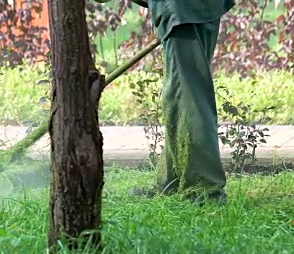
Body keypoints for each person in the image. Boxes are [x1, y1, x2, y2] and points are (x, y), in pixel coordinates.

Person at [99, 0, 235, 206]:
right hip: (201, 8)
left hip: (181, 8)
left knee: (189, 97)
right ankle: (172, 182)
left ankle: (205, 190)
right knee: (181, 95)